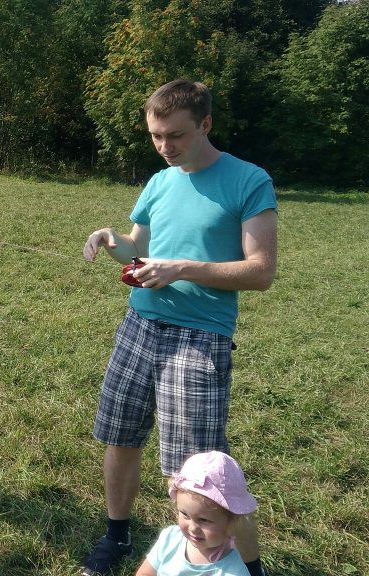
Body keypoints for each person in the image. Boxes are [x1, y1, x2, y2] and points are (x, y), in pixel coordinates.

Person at [80, 79, 277, 576]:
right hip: (139, 325)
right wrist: (112, 240)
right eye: (155, 136)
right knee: (121, 437)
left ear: (205, 124)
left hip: (200, 339)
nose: (165, 147)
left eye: (175, 135)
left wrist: (182, 267)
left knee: (202, 471)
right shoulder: (159, 181)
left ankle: (250, 569)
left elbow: (261, 270)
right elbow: (138, 249)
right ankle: (117, 537)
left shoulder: (249, 181)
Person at [135, 451, 256, 576]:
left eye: (204, 520)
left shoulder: (233, 572)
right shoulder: (170, 539)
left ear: (232, 521)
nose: (193, 528)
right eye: (185, 514)